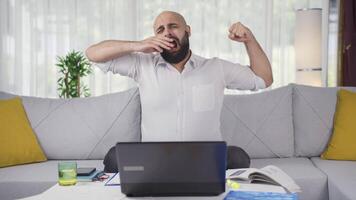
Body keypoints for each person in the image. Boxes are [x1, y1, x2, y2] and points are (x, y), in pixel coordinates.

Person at [86, 11, 273, 172]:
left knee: (238, 157)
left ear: (188, 31)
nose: (167, 32)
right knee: (114, 156)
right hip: (154, 160)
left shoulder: (215, 68)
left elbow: (263, 79)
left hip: (205, 160)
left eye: (173, 26)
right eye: (160, 30)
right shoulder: (142, 65)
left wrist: (249, 39)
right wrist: (138, 45)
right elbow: (93, 54)